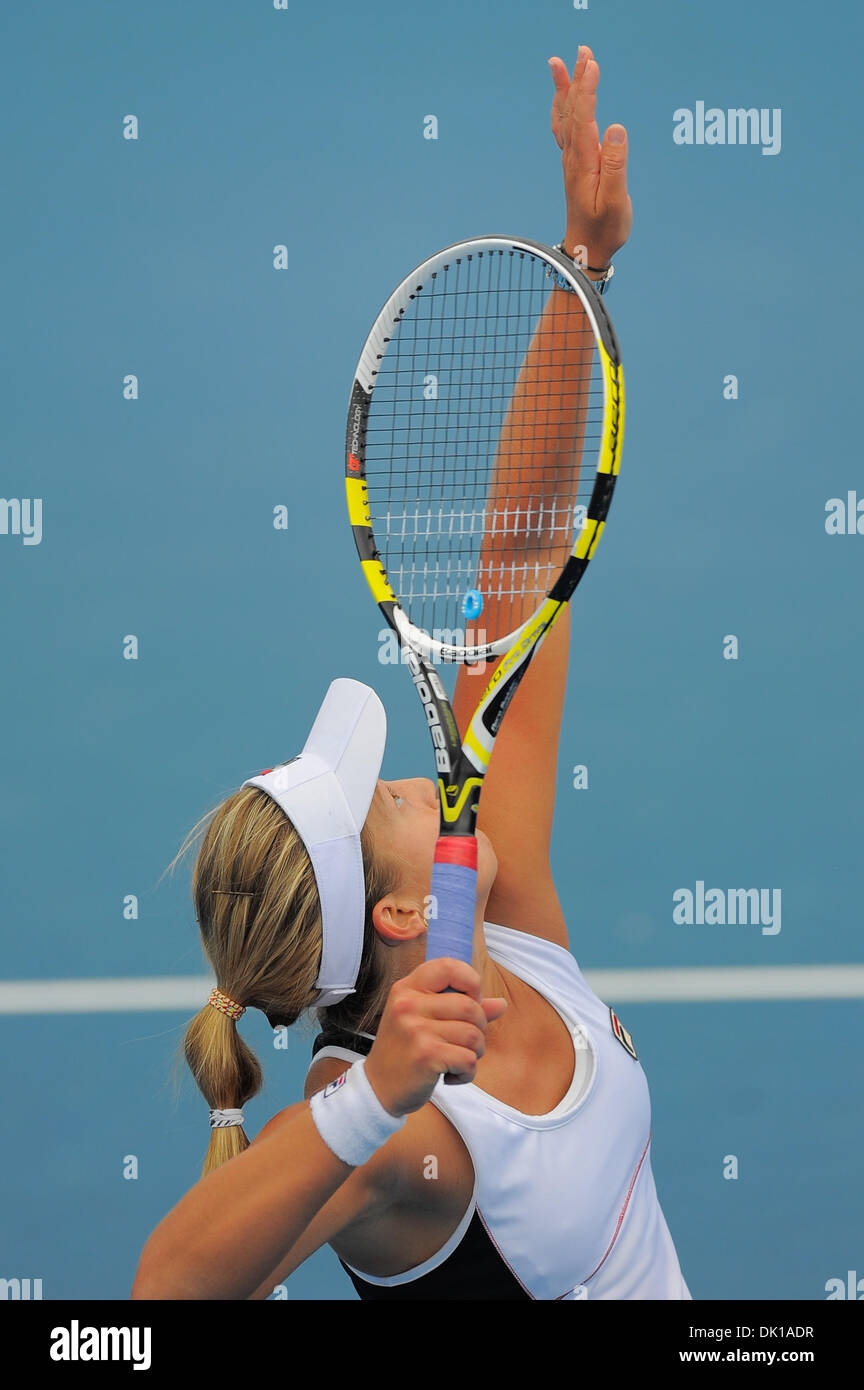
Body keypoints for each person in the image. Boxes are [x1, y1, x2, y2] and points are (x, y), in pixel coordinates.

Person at [132, 46, 690, 1301]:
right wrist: (379, 1090)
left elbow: (522, 543)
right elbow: (159, 1297)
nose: (417, 780)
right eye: (390, 794)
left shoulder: (509, 926)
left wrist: (585, 263)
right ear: (402, 912)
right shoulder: (411, 1138)